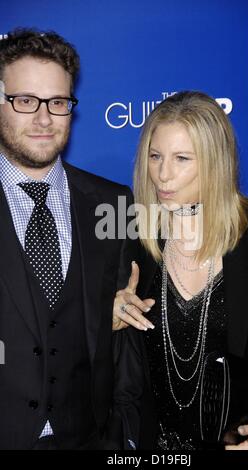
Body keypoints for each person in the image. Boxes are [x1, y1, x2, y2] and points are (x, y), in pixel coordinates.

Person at [112, 91, 248, 450]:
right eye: (155, 156)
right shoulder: (131, 236)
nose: (163, 174)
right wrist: (107, 316)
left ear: (216, 162)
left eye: (182, 158)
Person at [0, 28, 139, 450]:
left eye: (57, 102)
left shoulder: (114, 203)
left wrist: (126, 435)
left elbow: (123, 339)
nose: (44, 119)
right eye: (25, 101)